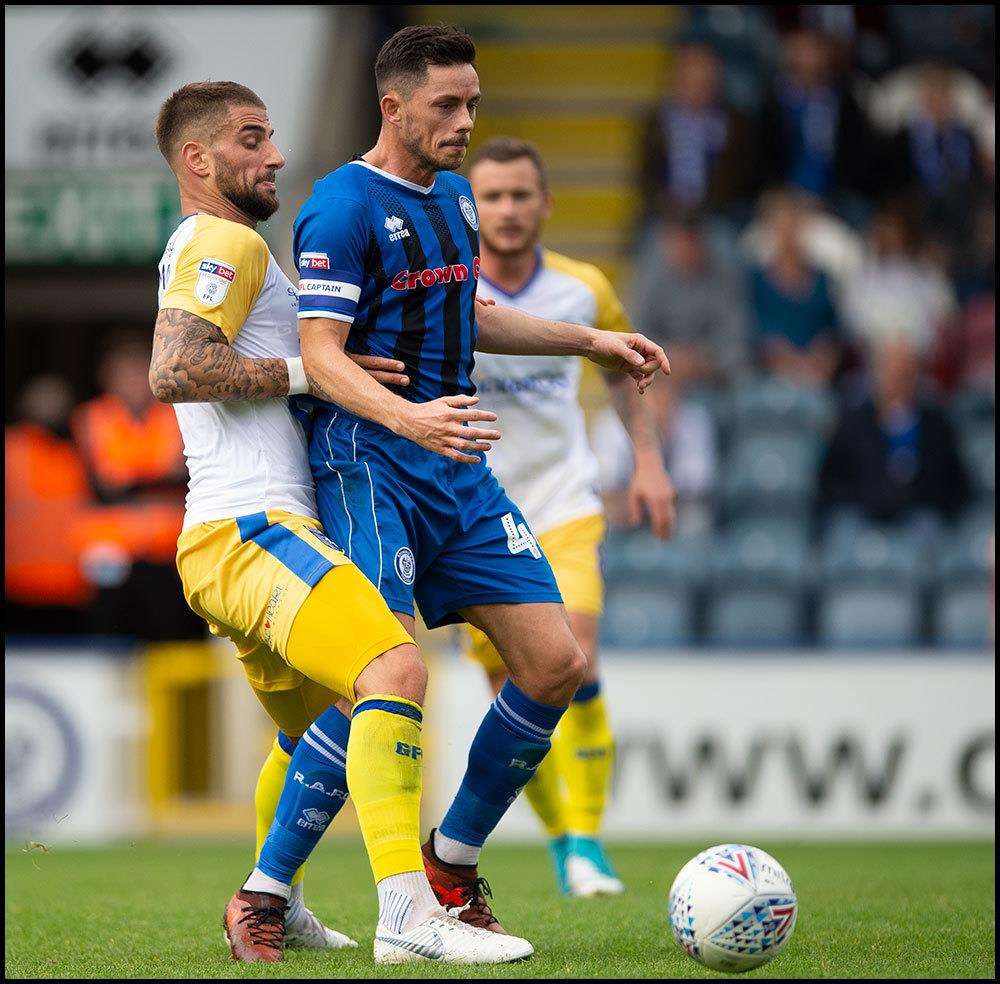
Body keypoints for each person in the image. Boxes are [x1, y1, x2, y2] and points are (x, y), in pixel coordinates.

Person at [256, 23, 670, 947]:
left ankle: (450, 863)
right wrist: (410, 419)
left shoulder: (453, 197)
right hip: (370, 464)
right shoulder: (338, 208)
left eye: (473, 102)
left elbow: (470, 313)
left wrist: (591, 340)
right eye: (447, 104)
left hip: (458, 470)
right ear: (392, 105)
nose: (465, 120)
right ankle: (270, 892)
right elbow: (319, 355)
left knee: (556, 663)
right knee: (382, 677)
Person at [151, 79, 533, 965]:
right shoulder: (221, 241)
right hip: (246, 531)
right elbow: (174, 369)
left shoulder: (231, 245)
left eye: (273, 137)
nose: (275, 154)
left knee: (315, 729)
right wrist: (310, 372)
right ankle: (407, 911)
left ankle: (266, 902)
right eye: (251, 140)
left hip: (235, 535)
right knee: (393, 668)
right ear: (198, 161)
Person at [458, 136, 676, 895]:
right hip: (472, 513)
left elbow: (623, 366)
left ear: (546, 204)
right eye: (493, 196)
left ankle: (587, 841)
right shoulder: (445, 290)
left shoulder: (584, 289)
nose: (509, 210)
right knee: (517, 689)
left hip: (562, 500)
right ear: (470, 206)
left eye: (522, 195)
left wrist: (646, 462)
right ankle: (563, 843)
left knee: (573, 651)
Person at [71, 334, 202, 640]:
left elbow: (188, 476)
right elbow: (102, 486)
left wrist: (133, 480)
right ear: (108, 379)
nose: (131, 382)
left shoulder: (177, 414)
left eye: (138, 373)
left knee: (174, 630)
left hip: (169, 547)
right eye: (123, 374)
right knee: (110, 630)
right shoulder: (93, 417)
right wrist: (157, 478)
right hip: (112, 550)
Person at [818, 333, 970, 530]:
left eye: (905, 372)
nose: (897, 379)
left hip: (921, 526)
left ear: (917, 374)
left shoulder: (937, 425)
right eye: (891, 371)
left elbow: (954, 485)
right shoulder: (851, 423)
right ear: (875, 373)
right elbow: (832, 482)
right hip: (863, 522)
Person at [5, 375, 91, 634]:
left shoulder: (79, 453)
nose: (51, 406)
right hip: (17, 588)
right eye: (43, 399)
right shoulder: (11, 449)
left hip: (71, 588)